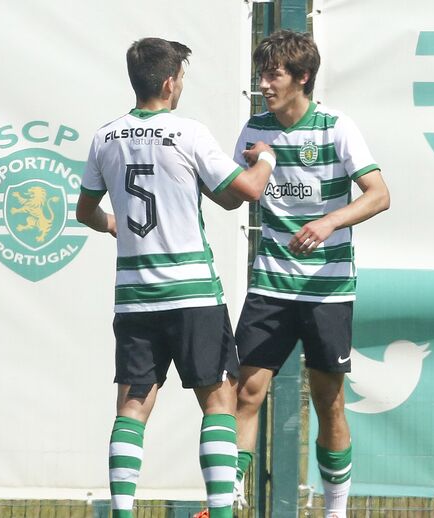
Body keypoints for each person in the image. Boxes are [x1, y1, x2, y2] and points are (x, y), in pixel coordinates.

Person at [75, 37, 275, 518]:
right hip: (192, 293)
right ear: (169, 82)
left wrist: (112, 222)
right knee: (220, 401)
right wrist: (266, 158)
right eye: (181, 77)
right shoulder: (188, 133)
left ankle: (123, 511)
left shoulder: (105, 137)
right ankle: (221, 512)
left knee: (132, 407)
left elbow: (85, 211)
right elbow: (247, 191)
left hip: (135, 298)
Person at [227, 30, 390, 518]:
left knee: (328, 401)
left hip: (327, 288)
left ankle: (335, 510)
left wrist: (328, 221)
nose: (263, 84)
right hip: (270, 284)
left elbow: (379, 194)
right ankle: (226, 500)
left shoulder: (336, 127)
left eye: (273, 75)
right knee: (245, 392)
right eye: (261, 74)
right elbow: (232, 195)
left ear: (302, 77)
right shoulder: (254, 129)